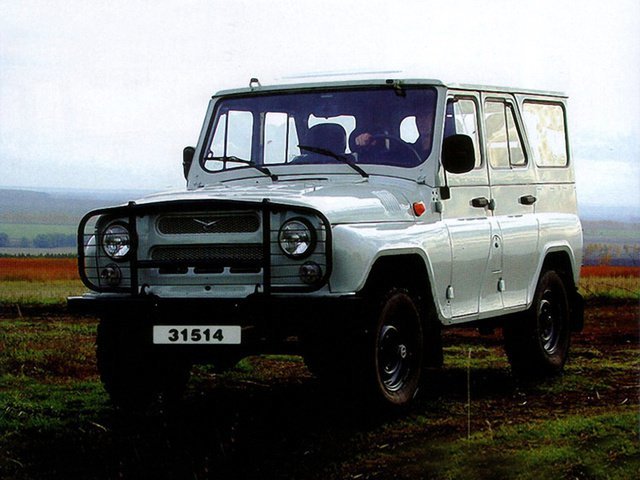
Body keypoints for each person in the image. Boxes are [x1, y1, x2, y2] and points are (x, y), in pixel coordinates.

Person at [353, 109, 435, 163]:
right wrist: (365, 143)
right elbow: (383, 161)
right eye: (419, 117)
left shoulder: (444, 153)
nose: (422, 121)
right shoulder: (406, 152)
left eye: (427, 115)